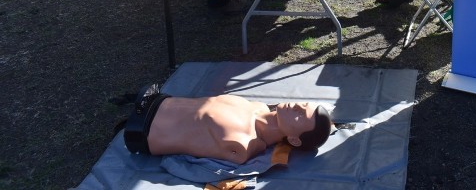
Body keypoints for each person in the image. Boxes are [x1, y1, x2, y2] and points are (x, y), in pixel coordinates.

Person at [124, 85, 332, 165]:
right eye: (302, 104)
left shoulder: (243, 146)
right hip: (155, 99)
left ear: (294, 140)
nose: (295, 105)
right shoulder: (256, 106)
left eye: (299, 114)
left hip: (141, 130)